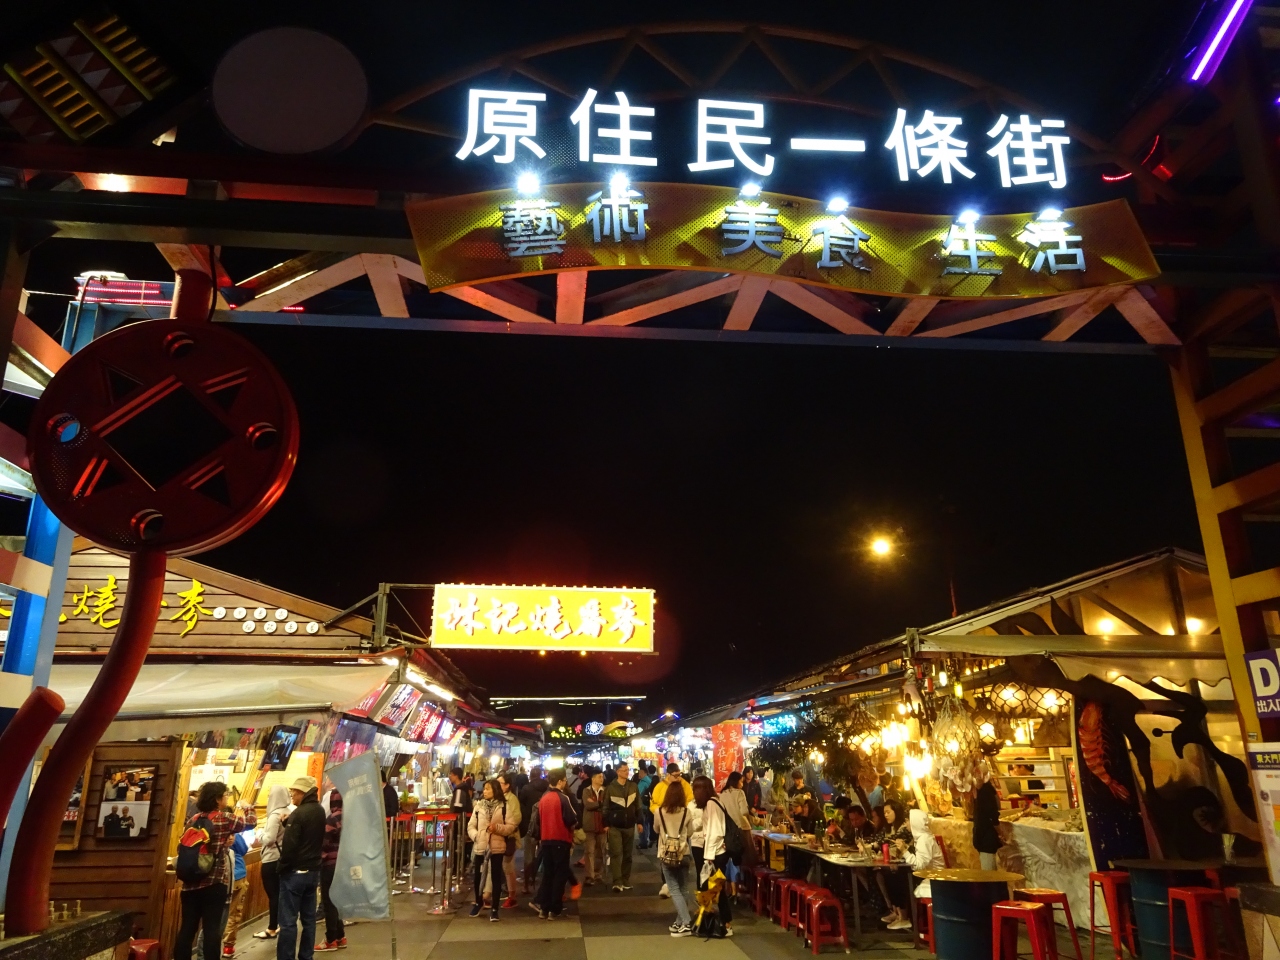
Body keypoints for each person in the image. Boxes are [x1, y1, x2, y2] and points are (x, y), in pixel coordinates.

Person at [174, 782, 257, 960]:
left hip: (190, 883)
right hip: (214, 883)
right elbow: (251, 822)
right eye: (225, 795)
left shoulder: (193, 819)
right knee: (212, 930)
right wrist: (248, 807)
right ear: (218, 799)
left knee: (187, 929)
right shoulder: (224, 818)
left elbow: (182, 848)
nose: (226, 798)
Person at [277, 776, 325, 960]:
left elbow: (289, 846)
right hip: (313, 872)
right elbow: (308, 833)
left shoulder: (298, 813)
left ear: (303, 793)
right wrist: (288, 823)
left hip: (294, 874)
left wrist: (281, 867)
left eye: (294, 792)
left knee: (288, 922)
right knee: (309, 920)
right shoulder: (319, 810)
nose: (292, 795)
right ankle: (306, 956)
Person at [532, 769, 577, 920]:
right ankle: (554, 909)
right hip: (561, 839)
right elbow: (571, 820)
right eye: (564, 780)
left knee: (548, 875)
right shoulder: (563, 798)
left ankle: (544, 908)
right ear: (559, 782)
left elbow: (538, 821)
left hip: (546, 840)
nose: (565, 783)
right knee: (560, 875)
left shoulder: (543, 798)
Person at [468, 780, 516, 921]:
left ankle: (495, 908)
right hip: (481, 847)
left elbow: (511, 826)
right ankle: (478, 902)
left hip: (497, 847)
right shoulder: (478, 806)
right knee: (478, 877)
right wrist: (476, 836)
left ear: (495, 790)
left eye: (488, 789)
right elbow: (471, 826)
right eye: (484, 789)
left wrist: (497, 828)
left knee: (496, 877)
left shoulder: (504, 806)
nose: (485, 791)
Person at [693, 776, 734, 937]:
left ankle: (725, 923)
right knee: (715, 889)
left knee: (717, 889)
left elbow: (714, 831)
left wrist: (708, 857)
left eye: (695, 789)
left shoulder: (711, 803)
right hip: (717, 852)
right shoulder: (715, 802)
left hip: (716, 853)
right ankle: (716, 922)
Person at [655, 773, 695, 937]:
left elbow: (656, 829)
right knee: (683, 887)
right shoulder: (687, 812)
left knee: (673, 888)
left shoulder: (659, 812)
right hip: (683, 853)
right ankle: (679, 921)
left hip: (666, 854)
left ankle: (686, 922)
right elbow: (690, 832)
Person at [253, 785, 293, 943]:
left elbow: (269, 839)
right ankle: (282, 924)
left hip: (271, 859)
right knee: (282, 894)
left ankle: (271, 928)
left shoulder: (274, 816)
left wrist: (259, 833)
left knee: (273, 895)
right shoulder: (290, 812)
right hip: (284, 858)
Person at [314, 790, 345, 952]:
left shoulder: (333, 819)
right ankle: (340, 936)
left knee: (328, 901)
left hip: (330, 864)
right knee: (337, 901)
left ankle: (331, 939)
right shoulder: (351, 817)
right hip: (344, 864)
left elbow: (324, 842)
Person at [604, 761, 639, 892]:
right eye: (624, 770)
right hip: (615, 826)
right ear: (618, 772)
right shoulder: (611, 787)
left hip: (629, 825)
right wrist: (606, 824)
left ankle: (625, 879)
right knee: (616, 853)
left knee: (628, 855)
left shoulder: (633, 786)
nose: (627, 772)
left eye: (628, 770)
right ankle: (617, 881)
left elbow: (638, 805)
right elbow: (605, 807)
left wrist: (640, 822)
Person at [897, 808, 946, 903]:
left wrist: (904, 851)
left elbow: (918, 865)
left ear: (915, 822)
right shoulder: (922, 837)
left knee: (901, 881)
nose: (906, 824)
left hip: (935, 879)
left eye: (908, 821)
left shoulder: (924, 840)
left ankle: (908, 911)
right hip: (930, 875)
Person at [221, 827, 253, 957]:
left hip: (217, 878)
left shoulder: (212, 830)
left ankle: (209, 947)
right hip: (237, 877)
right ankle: (228, 947)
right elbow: (243, 849)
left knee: (214, 915)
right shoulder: (232, 830)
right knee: (233, 914)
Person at [518, 767, 548, 893]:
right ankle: (545, 884)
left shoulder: (526, 789)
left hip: (530, 826)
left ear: (530, 775)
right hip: (545, 826)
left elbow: (521, 807)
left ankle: (526, 884)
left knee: (528, 856)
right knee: (545, 855)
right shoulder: (547, 788)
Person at [495, 771, 522, 908]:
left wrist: (503, 826)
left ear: (507, 785)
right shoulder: (498, 798)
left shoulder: (512, 799)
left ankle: (512, 896)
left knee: (508, 866)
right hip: (497, 837)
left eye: (500, 783)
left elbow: (516, 818)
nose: (497, 786)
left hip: (509, 837)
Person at [580, 770, 607, 884]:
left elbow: (607, 805)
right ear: (593, 779)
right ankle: (589, 875)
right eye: (599, 777)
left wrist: (595, 803)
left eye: (602, 777)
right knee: (589, 851)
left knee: (601, 851)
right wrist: (600, 803)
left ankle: (598, 873)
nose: (602, 779)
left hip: (602, 825)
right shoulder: (586, 791)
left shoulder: (605, 791)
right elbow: (588, 805)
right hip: (589, 825)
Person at [973, 779, 1002, 870]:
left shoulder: (984, 789)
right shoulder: (984, 789)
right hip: (985, 838)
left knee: (989, 872)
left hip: (984, 838)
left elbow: (992, 814)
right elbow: (993, 815)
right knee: (989, 872)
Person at [636, 765, 656, 848]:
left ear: (645, 773)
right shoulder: (650, 780)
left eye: (640, 773)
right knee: (647, 824)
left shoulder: (643, 782)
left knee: (642, 824)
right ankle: (647, 840)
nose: (639, 774)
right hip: (648, 806)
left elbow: (638, 794)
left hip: (643, 806)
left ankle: (643, 842)